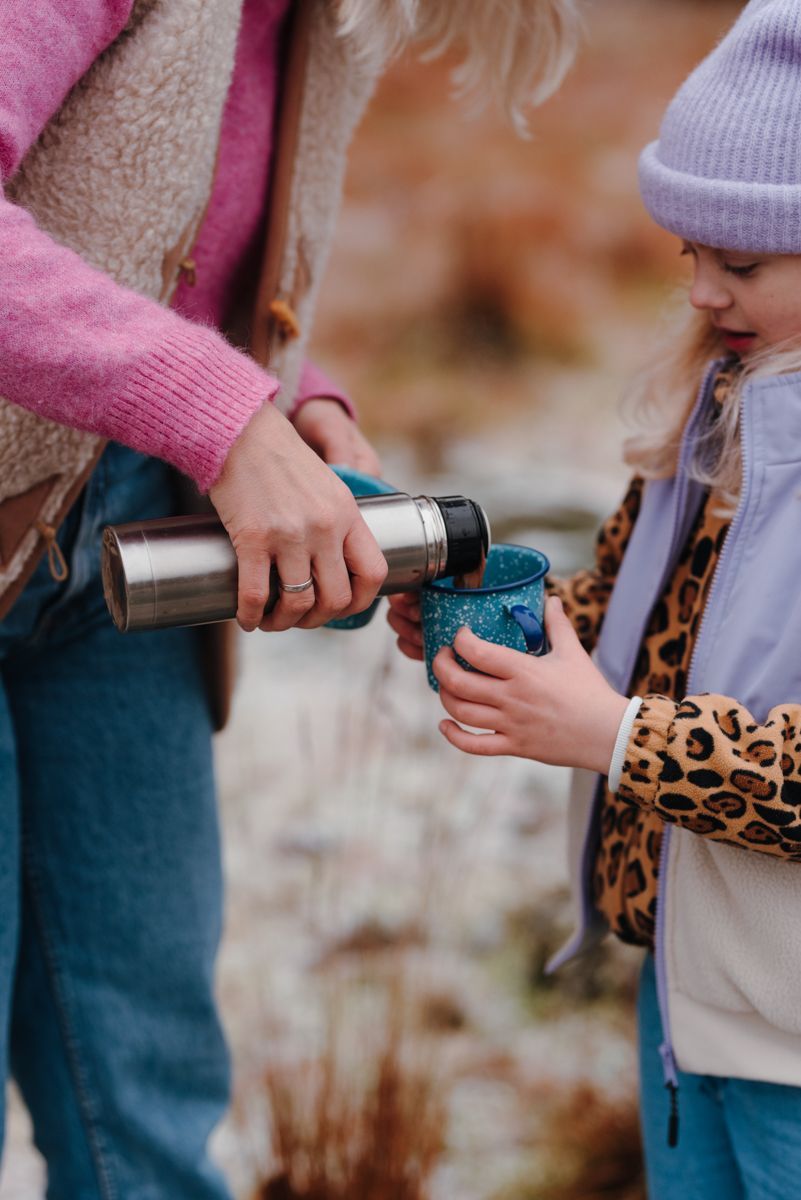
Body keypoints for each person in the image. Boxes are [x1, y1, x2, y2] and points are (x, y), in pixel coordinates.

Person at [0, 0, 580, 1194]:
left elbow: (156, 244)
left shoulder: (334, 16)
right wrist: (225, 420)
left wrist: (296, 402)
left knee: (145, 1080)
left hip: (124, 538)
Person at [389, 3, 801, 1195]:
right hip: (685, 991)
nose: (703, 294)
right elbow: (633, 610)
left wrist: (608, 735)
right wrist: (515, 628)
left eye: (745, 264)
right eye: (689, 255)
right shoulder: (715, 421)